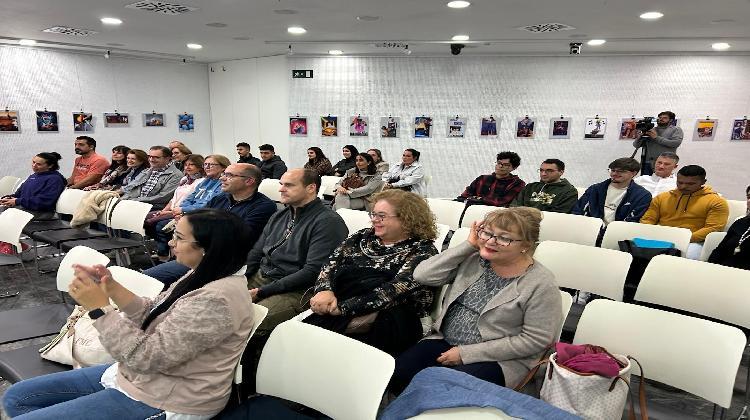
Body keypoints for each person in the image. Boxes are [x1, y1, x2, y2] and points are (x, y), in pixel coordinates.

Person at [2, 209, 255, 419]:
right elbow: (154, 312)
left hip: (171, 397)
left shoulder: (216, 299)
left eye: (178, 238)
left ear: (207, 249)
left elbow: (146, 357)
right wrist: (111, 287)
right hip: (144, 377)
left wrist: (99, 310)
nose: (170, 243)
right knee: (18, 397)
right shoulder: (203, 273)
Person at [390, 207, 562, 393]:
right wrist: (469, 245)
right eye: (487, 233)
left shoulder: (541, 283)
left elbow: (535, 340)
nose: (490, 241)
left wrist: (467, 354)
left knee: (440, 391)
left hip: (500, 360)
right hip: (445, 341)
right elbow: (423, 275)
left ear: (526, 245)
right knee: (397, 374)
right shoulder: (473, 259)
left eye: (504, 238)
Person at [308, 189, 438, 354]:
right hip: (339, 303)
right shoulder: (362, 237)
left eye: (381, 216)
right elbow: (330, 264)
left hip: (388, 319)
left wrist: (340, 308)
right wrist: (324, 290)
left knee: (320, 346)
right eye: (373, 214)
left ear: (407, 219)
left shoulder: (423, 251)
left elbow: (394, 292)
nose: (374, 220)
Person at [246, 168, 349, 336]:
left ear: (311, 188)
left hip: (298, 289)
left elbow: (313, 272)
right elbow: (257, 253)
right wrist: (242, 278)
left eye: (289, 185)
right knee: (216, 303)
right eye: (281, 184)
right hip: (264, 276)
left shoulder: (328, 222)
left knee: (246, 321)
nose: (281, 189)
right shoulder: (280, 215)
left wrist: (262, 292)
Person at [144, 164, 278, 285]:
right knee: (147, 278)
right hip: (201, 253)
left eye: (229, 175)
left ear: (249, 181)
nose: (222, 178)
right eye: (224, 174)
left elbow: (239, 238)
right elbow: (199, 222)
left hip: (223, 260)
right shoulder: (220, 198)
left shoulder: (264, 207)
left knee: (149, 279)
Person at [640, 165, 729, 260]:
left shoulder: (716, 202)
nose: (683, 186)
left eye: (690, 184)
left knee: (688, 255)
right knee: (633, 248)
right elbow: (648, 219)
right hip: (660, 236)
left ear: (703, 182)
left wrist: (682, 238)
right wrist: (652, 233)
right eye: (680, 182)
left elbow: (713, 228)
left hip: (692, 241)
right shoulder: (662, 197)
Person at [147, 154, 206, 262]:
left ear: (200, 167)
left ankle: (163, 255)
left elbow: (191, 203)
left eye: (191, 165)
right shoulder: (184, 179)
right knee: (146, 218)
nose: (187, 167)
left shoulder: (202, 182)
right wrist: (164, 211)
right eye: (186, 164)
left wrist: (170, 212)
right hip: (172, 209)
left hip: (182, 212)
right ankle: (163, 248)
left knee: (159, 224)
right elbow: (173, 198)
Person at [572, 157, 651, 231]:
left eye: (621, 171)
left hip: (617, 233)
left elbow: (632, 221)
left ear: (634, 173)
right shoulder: (595, 189)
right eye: (613, 170)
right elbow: (578, 211)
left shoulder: (642, 196)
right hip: (589, 230)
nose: (614, 174)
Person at [0, 152, 66, 212]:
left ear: (50, 165)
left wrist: (18, 201)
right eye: (33, 162)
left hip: (40, 213)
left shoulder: (55, 180)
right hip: (24, 208)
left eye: (39, 164)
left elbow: (44, 202)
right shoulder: (33, 176)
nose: (34, 165)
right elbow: (18, 195)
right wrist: (8, 198)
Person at [457, 152, 525, 207]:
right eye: (499, 163)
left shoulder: (517, 183)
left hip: (497, 215)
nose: (500, 166)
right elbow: (465, 195)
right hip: (474, 211)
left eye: (506, 165)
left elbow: (502, 202)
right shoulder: (482, 179)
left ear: (514, 168)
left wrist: (479, 199)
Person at [510, 159, 577, 213]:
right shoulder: (530, 187)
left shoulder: (569, 191)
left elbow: (559, 213)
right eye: (541, 170)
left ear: (561, 172)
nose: (543, 174)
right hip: (520, 221)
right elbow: (514, 206)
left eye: (549, 171)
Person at [708, 185, 750, 270]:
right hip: (722, 270)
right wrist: (709, 268)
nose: (749, 201)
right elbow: (720, 250)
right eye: (749, 197)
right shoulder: (740, 222)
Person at [632, 111, 683, 176]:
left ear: (670, 120)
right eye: (660, 117)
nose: (661, 119)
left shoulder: (676, 129)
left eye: (664, 118)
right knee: (645, 181)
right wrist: (639, 137)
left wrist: (656, 138)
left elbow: (675, 143)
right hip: (648, 162)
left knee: (662, 180)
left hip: (664, 163)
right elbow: (636, 145)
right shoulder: (651, 130)